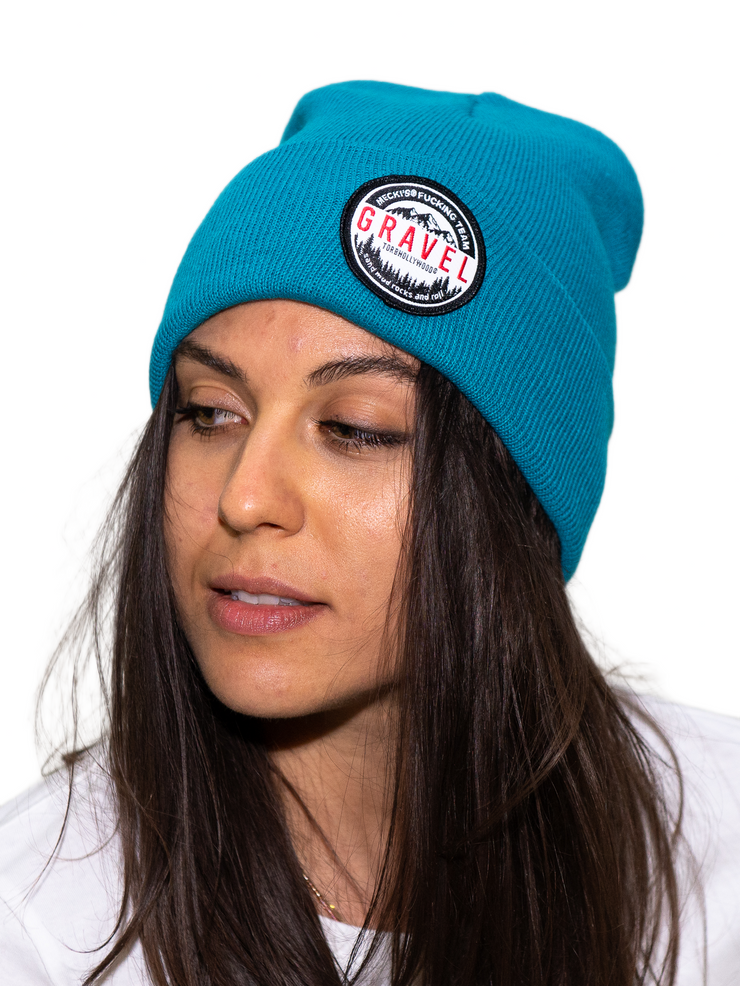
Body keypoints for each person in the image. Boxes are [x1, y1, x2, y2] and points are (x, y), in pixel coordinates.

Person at [1, 81, 739, 986]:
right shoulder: (38, 929)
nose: (245, 497)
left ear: (513, 497)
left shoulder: (718, 868)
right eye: (210, 412)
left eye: (355, 428)